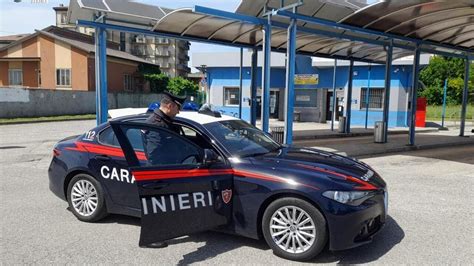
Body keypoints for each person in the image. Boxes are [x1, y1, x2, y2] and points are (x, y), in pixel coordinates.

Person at [140, 91, 185, 249]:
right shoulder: (156, 123)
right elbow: (154, 154)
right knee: (156, 205)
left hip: (167, 170)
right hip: (157, 172)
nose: (179, 112)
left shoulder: (167, 121)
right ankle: (150, 239)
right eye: (178, 108)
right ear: (170, 105)